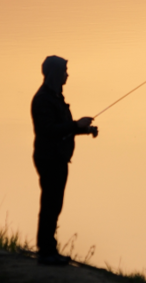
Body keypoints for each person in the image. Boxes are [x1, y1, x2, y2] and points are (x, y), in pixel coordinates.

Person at [31, 55, 97, 266]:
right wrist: (76, 125)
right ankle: (46, 252)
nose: (67, 74)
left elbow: (62, 131)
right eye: (64, 71)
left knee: (55, 205)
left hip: (58, 158)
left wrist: (84, 130)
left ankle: (50, 249)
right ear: (55, 73)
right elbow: (48, 130)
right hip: (49, 159)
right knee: (50, 204)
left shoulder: (56, 97)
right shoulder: (43, 99)